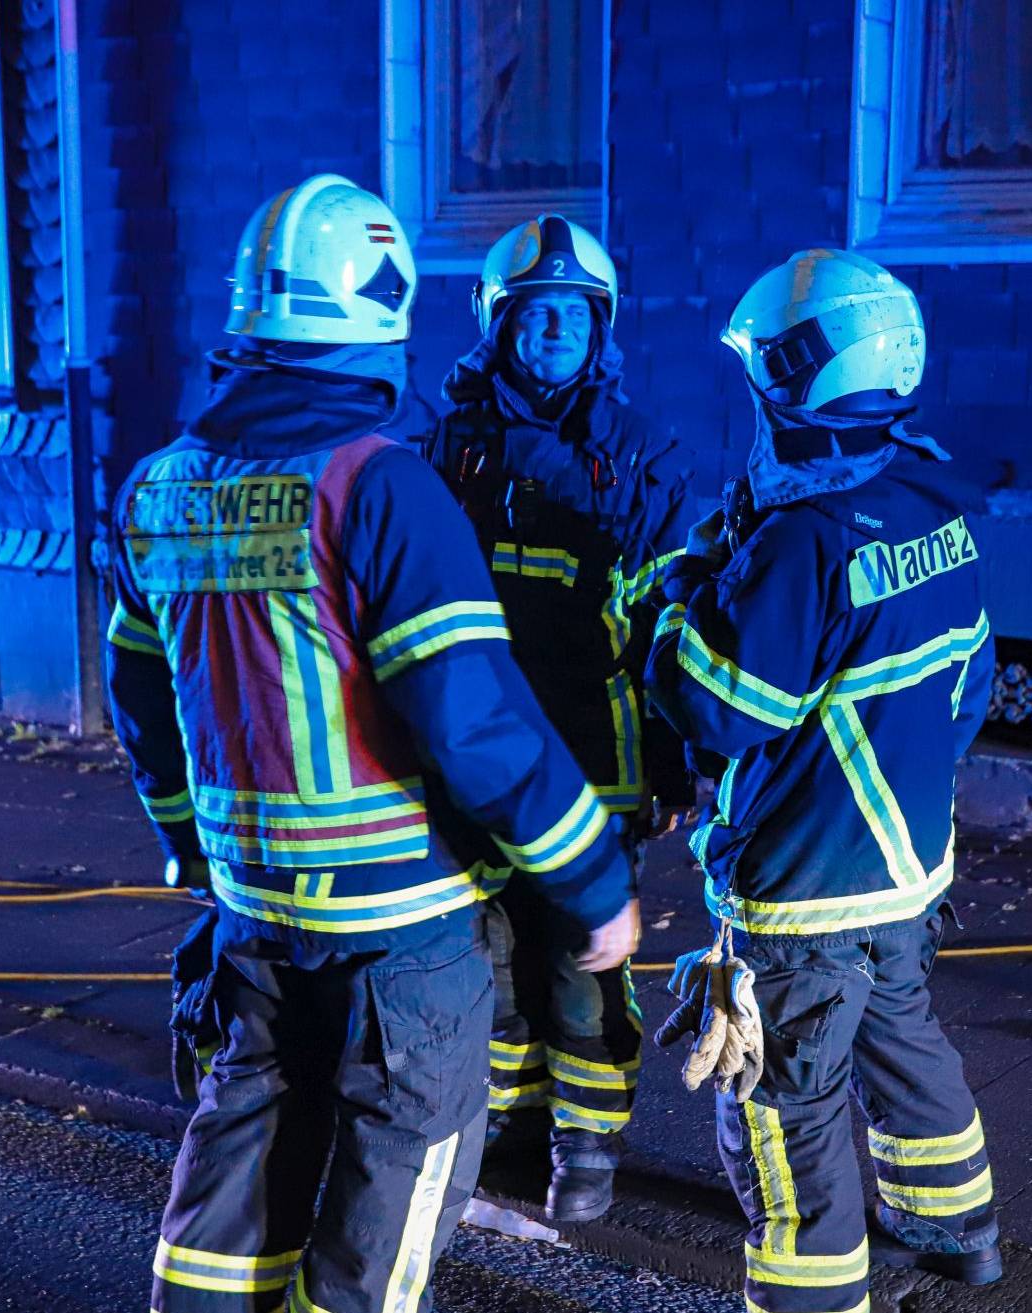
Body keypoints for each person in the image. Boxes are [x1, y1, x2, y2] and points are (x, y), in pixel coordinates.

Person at [105, 174, 640, 1313]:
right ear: (384, 311)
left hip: (253, 912)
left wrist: (193, 850)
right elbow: (473, 718)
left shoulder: (156, 489)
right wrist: (593, 877)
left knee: (241, 1155)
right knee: (387, 1208)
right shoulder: (379, 483)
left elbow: (143, 702)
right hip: (402, 928)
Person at [646, 249, 1002, 1313]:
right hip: (905, 874)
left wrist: (675, 601)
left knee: (783, 1106)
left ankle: (812, 1294)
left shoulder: (803, 540)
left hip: (803, 891)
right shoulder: (934, 505)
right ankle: (958, 1231)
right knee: (903, 1041)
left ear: (792, 381)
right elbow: (972, 687)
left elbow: (718, 705)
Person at [422, 214, 707, 1224]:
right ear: (497, 325)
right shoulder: (444, 450)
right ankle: (509, 1119)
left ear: (602, 330)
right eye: (536, 313)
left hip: (598, 760)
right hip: (474, 755)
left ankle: (587, 1146)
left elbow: (669, 620)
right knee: (488, 953)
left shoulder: (639, 455)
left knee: (582, 959)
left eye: (574, 317)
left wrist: (670, 764)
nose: (554, 332)